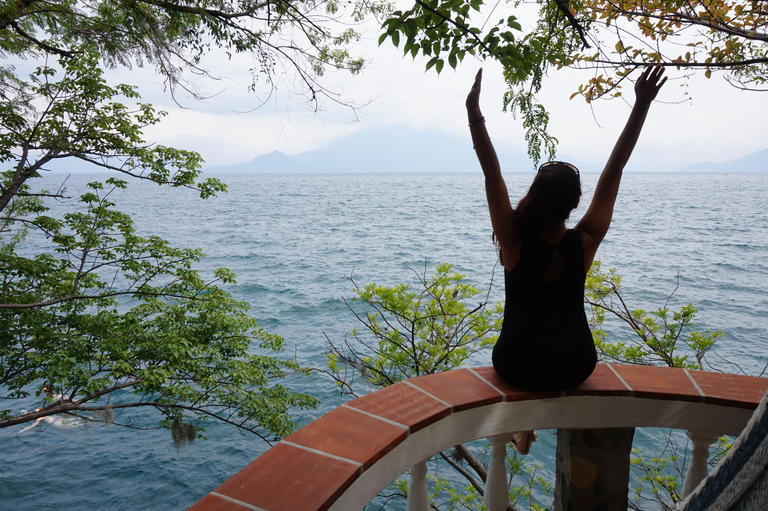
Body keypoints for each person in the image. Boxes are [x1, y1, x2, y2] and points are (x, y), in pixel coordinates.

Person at [466, 65, 667, 453]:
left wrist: (473, 111)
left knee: (523, 364)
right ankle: (526, 427)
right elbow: (616, 168)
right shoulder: (586, 240)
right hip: (575, 364)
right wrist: (641, 104)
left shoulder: (513, 240)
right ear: (575, 202)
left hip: (518, 365)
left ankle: (522, 427)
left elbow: (491, 172)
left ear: (534, 194)